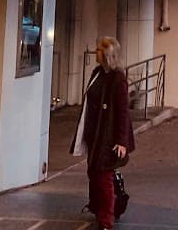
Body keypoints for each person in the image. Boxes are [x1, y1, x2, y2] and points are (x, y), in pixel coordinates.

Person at [73, 36, 135, 229]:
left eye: (99, 49)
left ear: (108, 54)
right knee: (94, 172)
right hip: (95, 132)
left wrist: (121, 140)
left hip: (107, 135)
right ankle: (98, 207)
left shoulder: (118, 79)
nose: (95, 52)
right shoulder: (97, 73)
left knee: (103, 175)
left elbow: (122, 112)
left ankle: (106, 219)